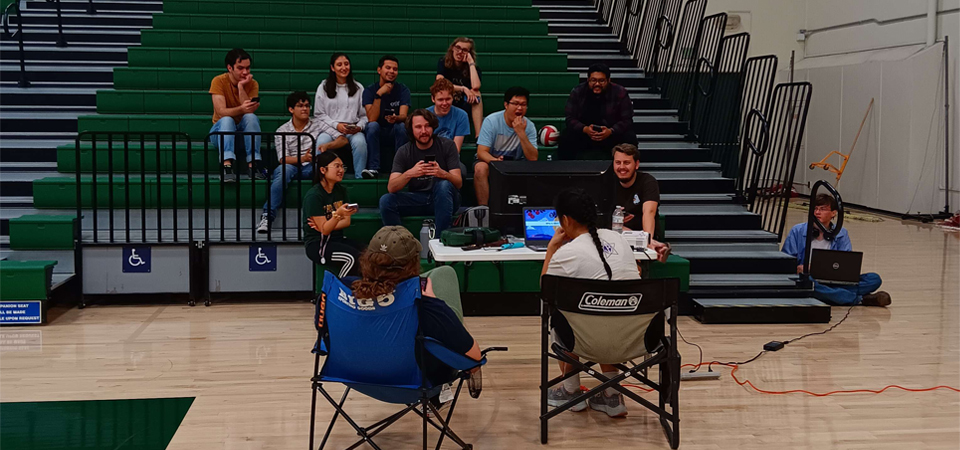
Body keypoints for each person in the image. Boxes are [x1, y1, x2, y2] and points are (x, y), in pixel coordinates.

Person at [541, 188, 662, 418]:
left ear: (565, 220)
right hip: (635, 340)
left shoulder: (566, 254)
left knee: (564, 314)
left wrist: (552, 248)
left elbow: (544, 291)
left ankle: (571, 392)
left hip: (586, 342)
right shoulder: (618, 238)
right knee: (611, 312)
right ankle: (611, 395)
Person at [348, 226, 482, 388]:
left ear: (367, 260)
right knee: (445, 274)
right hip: (412, 383)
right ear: (413, 263)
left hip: (356, 376)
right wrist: (434, 302)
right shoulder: (426, 306)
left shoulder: (341, 294)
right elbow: (474, 360)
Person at [781, 194, 891, 307]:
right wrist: (799, 267)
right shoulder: (797, 231)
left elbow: (846, 263)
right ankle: (860, 299)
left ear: (833, 213)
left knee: (874, 279)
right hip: (809, 277)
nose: (817, 212)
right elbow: (785, 262)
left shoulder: (841, 233)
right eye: (815, 208)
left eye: (822, 209)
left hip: (833, 279)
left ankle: (834, 294)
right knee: (809, 284)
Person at [379, 109, 462, 234]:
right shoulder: (404, 151)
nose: (424, 131)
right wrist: (409, 173)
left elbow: (458, 183)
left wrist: (442, 173)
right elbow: (391, 187)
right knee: (386, 200)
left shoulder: (447, 145)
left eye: (427, 126)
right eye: (418, 127)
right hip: (418, 199)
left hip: (445, 198)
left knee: (443, 185)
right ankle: (401, 242)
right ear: (411, 130)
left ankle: (440, 240)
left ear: (433, 127)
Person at [257, 91, 326, 233]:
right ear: (291, 109)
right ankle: (267, 216)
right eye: (300, 106)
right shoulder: (282, 130)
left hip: (311, 167)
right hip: (291, 166)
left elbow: (339, 138)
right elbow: (283, 159)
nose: (305, 109)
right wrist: (303, 158)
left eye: (307, 105)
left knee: (323, 169)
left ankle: (323, 217)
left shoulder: (319, 125)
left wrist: (327, 146)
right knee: (284, 170)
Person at [558, 63, 638, 161]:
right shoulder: (577, 92)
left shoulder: (620, 93)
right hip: (585, 133)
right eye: (593, 80)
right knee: (566, 137)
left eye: (601, 81)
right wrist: (585, 129)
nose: (597, 84)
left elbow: (627, 120)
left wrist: (610, 131)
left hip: (611, 134)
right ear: (588, 80)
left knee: (630, 137)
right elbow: (570, 118)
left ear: (608, 80)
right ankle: (566, 172)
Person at [302, 151, 363, 278]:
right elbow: (324, 231)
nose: (341, 170)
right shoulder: (314, 196)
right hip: (318, 244)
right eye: (337, 166)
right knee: (352, 258)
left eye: (342, 166)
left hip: (337, 239)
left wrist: (328, 223)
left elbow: (346, 222)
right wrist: (338, 215)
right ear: (323, 170)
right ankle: (338, 293)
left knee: (368, 254)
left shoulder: (341, 190)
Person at [474, 87, 537, 206]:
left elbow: (533, 158)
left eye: (523, 104)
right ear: (506, 105)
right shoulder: (491, 121)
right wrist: (497, 162)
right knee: (480, 168)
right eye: (515, 104)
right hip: (491, 161)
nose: (519, 108)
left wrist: (521, 133)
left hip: (516, 163)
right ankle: (484, 210)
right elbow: (481, 152)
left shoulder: (529, 126)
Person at [209, 48, 264, 182]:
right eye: (240, 68)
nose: (245, 72)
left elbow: (249, 111)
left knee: (251, 118)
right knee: (227, 119)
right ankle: (226, 166)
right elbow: (221, 111)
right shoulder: (218, 81)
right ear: (230, 68)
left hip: (241, 135)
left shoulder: (252, 83)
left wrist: (241, 87)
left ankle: (253, 164)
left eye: (247, 68)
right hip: (220, 133)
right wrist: (242, 109)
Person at [314, 53, 368, 179]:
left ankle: (359, 177)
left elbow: (364, 116)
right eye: (339, 65)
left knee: (360, 142)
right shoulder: (323, 87)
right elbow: (318, 115)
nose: (344, 68)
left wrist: (359, 127)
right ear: (332, 68)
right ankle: (322, 179)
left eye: (346, 64)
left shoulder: (358, 88)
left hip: (352, 129)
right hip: (329, 129)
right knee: (321, 142)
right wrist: (336, 126)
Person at [362, 55, 411, 179]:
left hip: (394, 130)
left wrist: (396, 118)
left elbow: (404, 115)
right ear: (379, 70)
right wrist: (379, 95)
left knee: (401, 126)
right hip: (377, 131)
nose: (391, 72)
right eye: (388, 68)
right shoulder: (370, 91)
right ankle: (373, 168)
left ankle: (399, 168)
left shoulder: (402, 90)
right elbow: (371, 118)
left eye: (395, 69)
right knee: (372, 126)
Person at [436, 37, 483, 136]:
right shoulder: (443, 62)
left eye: (464, 50)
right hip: (448, 101)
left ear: (469, 53)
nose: (460, 52)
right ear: (452, 48)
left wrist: (471, 63)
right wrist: (463, 88)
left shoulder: (474, 68)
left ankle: (479, 136)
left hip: (465, 103)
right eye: (458, 48)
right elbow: (440, 82)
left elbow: (476, 86)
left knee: (477, 94)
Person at [612, 144, 660, 238]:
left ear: (636, 164)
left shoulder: (648, 181)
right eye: (618, 162)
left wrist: (647, 241)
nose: (622, 167)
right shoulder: (607, 182)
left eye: (626, 163)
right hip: (614, 238)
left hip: (641, 236)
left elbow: (649, 212)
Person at [426, 78, 470, 153]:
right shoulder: (424, 115)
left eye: (448, 99)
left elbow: (455, 150)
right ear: (433, 99)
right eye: (440, 100)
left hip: (451, 159)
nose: (444, 103)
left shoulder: (462, 115)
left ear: (453, 97)